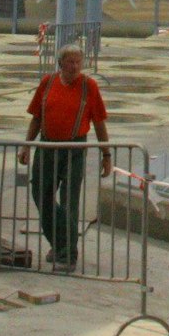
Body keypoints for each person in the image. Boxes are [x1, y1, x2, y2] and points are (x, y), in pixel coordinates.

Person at [18, 44, 111, 272]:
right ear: (60, 63)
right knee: (41, 194)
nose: (75, 66)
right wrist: (27, 146)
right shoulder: (48, 83)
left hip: (74, 149)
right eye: (70, 62)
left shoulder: (89, 87)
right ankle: (59, 242)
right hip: (47, 146)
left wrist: (105, 155)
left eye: (78, 62)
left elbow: (99, 123)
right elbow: (36, 118)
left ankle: (68, 253)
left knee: (70, 201)